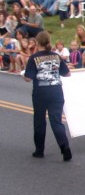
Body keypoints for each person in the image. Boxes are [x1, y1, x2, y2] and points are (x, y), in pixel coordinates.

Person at [23, 31, 72, 161]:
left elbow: (28, 78)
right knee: (56, 121)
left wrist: (24, 73)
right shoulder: (56, 56)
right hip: (56, 91)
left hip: (40, 92)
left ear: (37, 43)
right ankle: (65, 148)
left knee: (39, 121)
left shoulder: (34, 58)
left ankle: (39, 150)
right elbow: (67, 74)